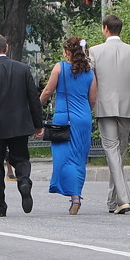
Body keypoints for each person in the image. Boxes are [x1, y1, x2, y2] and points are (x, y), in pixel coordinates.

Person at [89, 14, 130, 215]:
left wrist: (87, 104)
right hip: (127, 109)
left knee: (112, 152)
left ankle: (123, 199)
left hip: (104, 107)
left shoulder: (95, 51)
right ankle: (112, 201)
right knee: (118, 154)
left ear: (105, 28)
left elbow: (88, 80)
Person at [0, 34, 43, 218]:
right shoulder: (22, 69)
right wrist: (38, 124)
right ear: (7, 48)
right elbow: (33, 98)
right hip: (21, 124)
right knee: (21, 158)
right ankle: (24, 181)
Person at [38, 37, 97, 215]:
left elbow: (48, 91)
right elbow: (93, 99)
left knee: (64, 159)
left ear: (68, 52)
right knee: (79, 158)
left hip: (64, 119)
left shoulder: (60, 68)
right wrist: (85, 111)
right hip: (84, 119)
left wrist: (35, 105)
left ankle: (74, 196)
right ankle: (76, 195)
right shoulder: (90, 73)